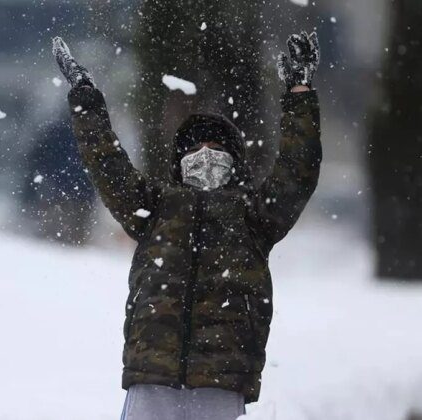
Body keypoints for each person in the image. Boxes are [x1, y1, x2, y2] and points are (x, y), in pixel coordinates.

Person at [52, 31, 321, 420]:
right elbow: (108, 166)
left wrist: (299, 94)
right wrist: (85, 100)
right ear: (178, 163)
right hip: (153, 376)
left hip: (223, 379)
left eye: (216, 149)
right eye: (194, 149)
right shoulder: (153, 207)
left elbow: (298, 171)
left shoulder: (254, 216)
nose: (205, 156)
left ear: (235, 161)